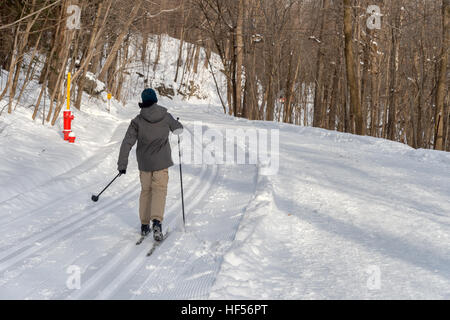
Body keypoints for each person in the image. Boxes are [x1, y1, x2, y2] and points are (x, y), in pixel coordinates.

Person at [117, 88, 183, 241]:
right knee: (159, 191)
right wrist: (178, 124)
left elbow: (127, 143)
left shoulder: (137, 121)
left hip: (145, 164)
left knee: (146, 191)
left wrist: (122, 164)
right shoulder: (166, 117)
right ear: (155, 100)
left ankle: (144, 225)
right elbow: (178, 128)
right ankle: (157, 223)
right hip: (161, 162)